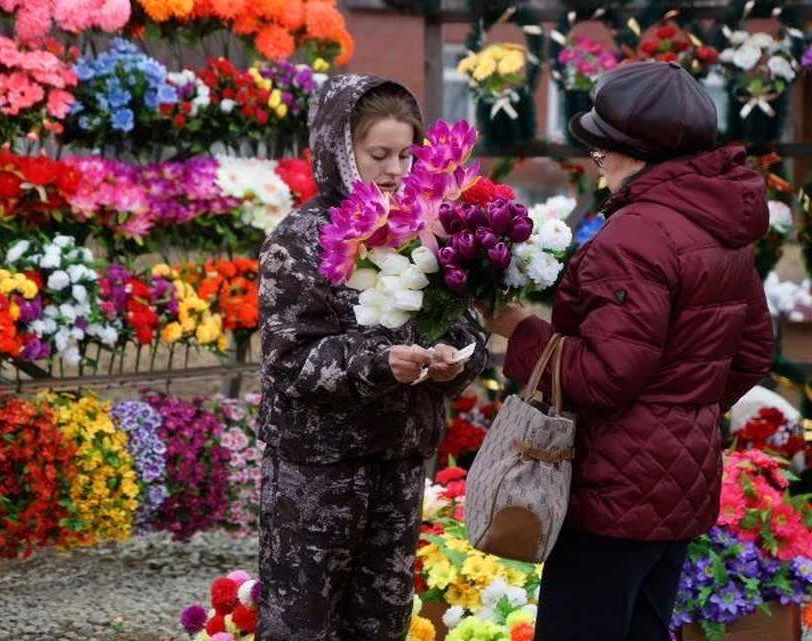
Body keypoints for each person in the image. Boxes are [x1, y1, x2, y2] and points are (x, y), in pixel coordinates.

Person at [485, 61, 774, 641]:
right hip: (680, 484)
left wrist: (518, 330)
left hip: (612, 489)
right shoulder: (718, 225)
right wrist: (679, 408)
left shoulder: (636, 234)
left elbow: (606, 376)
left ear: (632, 152)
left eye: (599, 152)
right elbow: (753, 350)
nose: (599, 165)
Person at [256, 74, 487, 641]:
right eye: (377, 154)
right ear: (340, 150)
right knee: (303, 625)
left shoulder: (423, 227)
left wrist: (457, 357)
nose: (393, 169)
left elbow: (467, 327)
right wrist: (380, 363)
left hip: (400, 464)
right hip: (317, 472)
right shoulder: (302, 238)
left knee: (382, 624)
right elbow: (290, 361)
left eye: (407, 155)